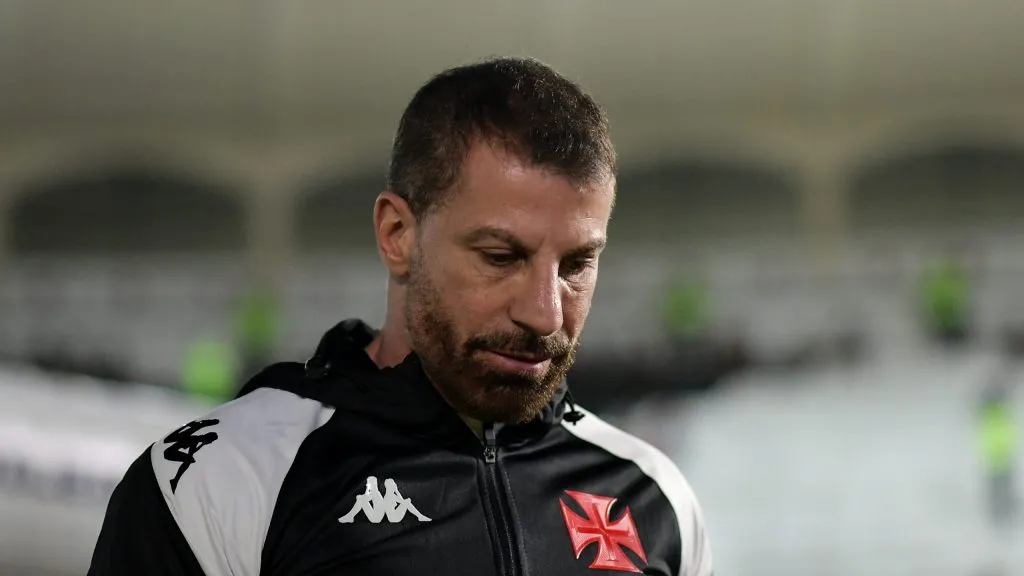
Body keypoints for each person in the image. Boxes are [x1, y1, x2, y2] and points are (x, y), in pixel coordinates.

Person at [88, 57, 714, 576]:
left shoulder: (653, 496)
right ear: (397, 235)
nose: (546, 312)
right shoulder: (224, 480)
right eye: (501, 256)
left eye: (577, 264)